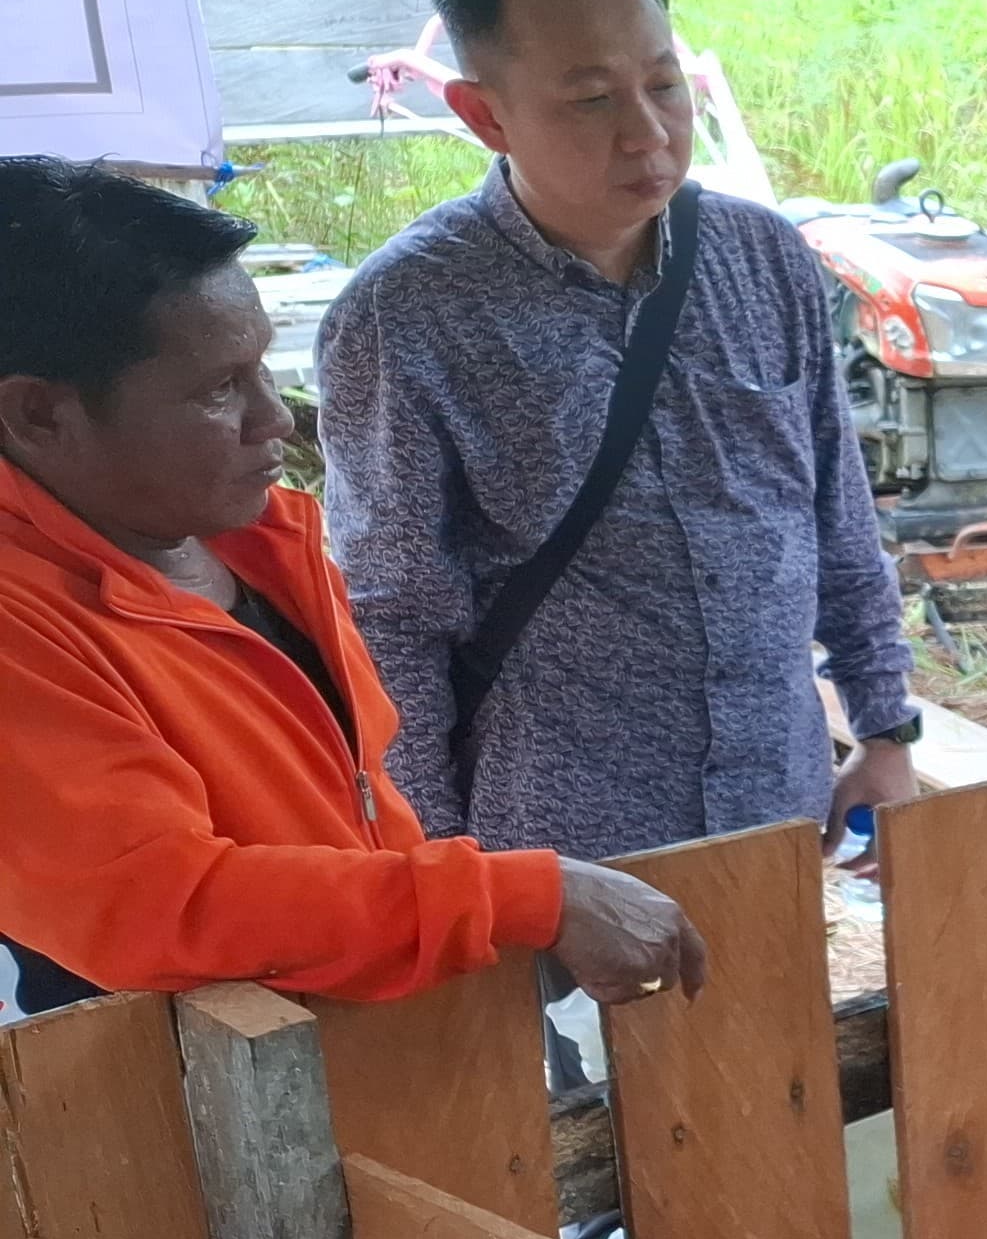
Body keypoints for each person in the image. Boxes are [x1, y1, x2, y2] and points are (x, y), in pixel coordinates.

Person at [0, 158, 702, 1010]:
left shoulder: (252, 541)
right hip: (193, 1115)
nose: (277, 418)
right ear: (38, 414)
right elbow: (167, 905)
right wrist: (519, 898)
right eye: (221, 390)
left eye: (261, 367)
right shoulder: (22, 632)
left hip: (365, 1055)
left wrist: (453, 923)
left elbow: (359, 808)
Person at [315, 0, 923, 866]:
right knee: (582, 1028)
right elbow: (393, 612)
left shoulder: (763, 258)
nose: (648, 136)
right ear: (484, 116)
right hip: (562, 841)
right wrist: (437, 862)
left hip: (775, 796)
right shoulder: (408, 312)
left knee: (771, 1019)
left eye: (664, 84)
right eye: (591, 100)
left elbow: (834, 513)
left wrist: (887, 731)